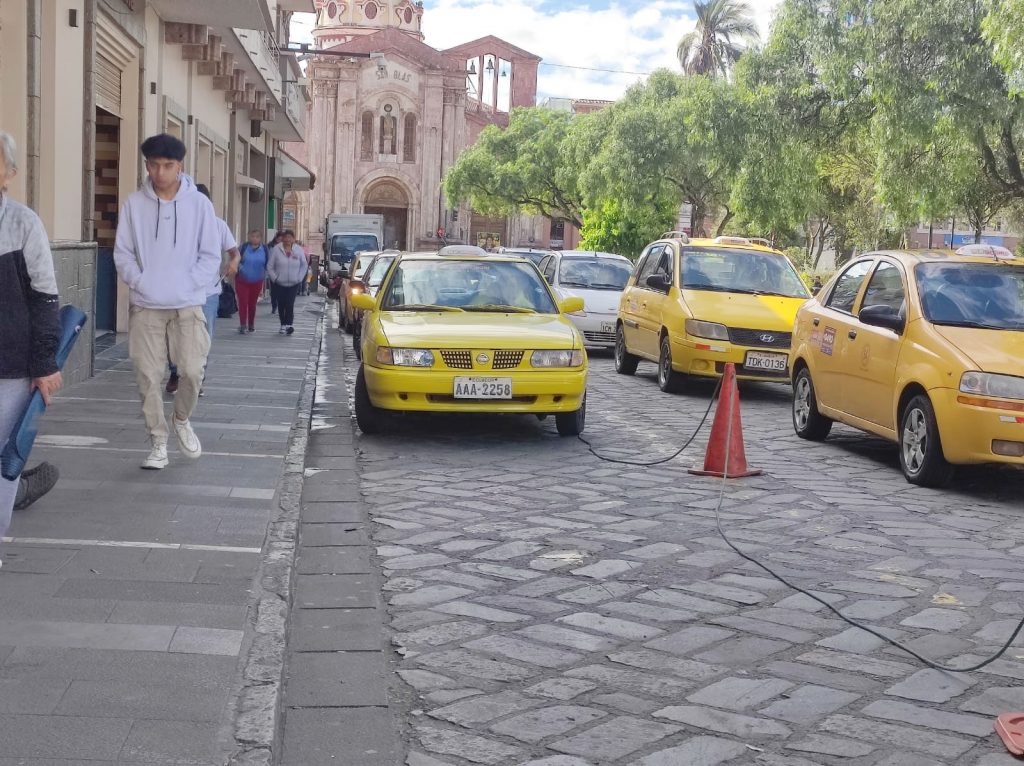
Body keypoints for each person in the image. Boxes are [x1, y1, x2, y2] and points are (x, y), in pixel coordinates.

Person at [113, 133, 221, 470]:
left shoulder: (199, 205)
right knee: (147, 375)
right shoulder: (134, 204)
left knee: (192, 370)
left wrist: (190, 284)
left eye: (168, 165)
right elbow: (123, 252)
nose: (161, 172)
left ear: (180, 166)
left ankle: (182, 419)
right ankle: (158, 442)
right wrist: (140, 281)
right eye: (155, 165)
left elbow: (211, 254)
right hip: (146, 304)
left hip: (187, 304)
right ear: (147, 165)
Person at [0, 130, 62, 564]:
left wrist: (44, 363)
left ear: (10, 173)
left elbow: (44, 298)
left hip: (11, 366)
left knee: (5, 456)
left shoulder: (23, 224)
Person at [166, 183, 239, 395]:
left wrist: (233, 263)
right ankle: (175, 372)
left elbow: (235, 252)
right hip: (179, 292)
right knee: (175, 335)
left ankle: (196, 379)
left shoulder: (218, 225)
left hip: (209, 293)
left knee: (203, 338)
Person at [267, 229, 308, 335]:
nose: (287, 239)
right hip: (280, 283)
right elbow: (270, 266)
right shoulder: (276, 249)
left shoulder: (298, 250)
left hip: (294, 283)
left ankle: (289, 325)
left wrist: (299, 278)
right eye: (286, 237)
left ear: (293, 239)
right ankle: (283, 324)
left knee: (289, 303)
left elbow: (304, 265)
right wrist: (275, 278)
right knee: (281, 304)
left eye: (290, 237)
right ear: (282, 239)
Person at [236, 229, 269, 333]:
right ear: (249, 237)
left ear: (261, 238)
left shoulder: (264, 249)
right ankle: (243, 325)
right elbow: (235, 259)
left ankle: (251, 324)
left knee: (252, 303)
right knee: (243, 302)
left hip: (257, 280)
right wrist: (240, 268)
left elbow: (268, 264)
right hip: (242, 280)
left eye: (257, 236)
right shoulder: (243, 247)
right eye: (252, 236)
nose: (254, 238)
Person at [267, 232, 282, 314]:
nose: (280, 241)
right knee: (273, 290)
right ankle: (274, 306)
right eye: (279, 239)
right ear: (276, 238)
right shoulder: (270, 247)